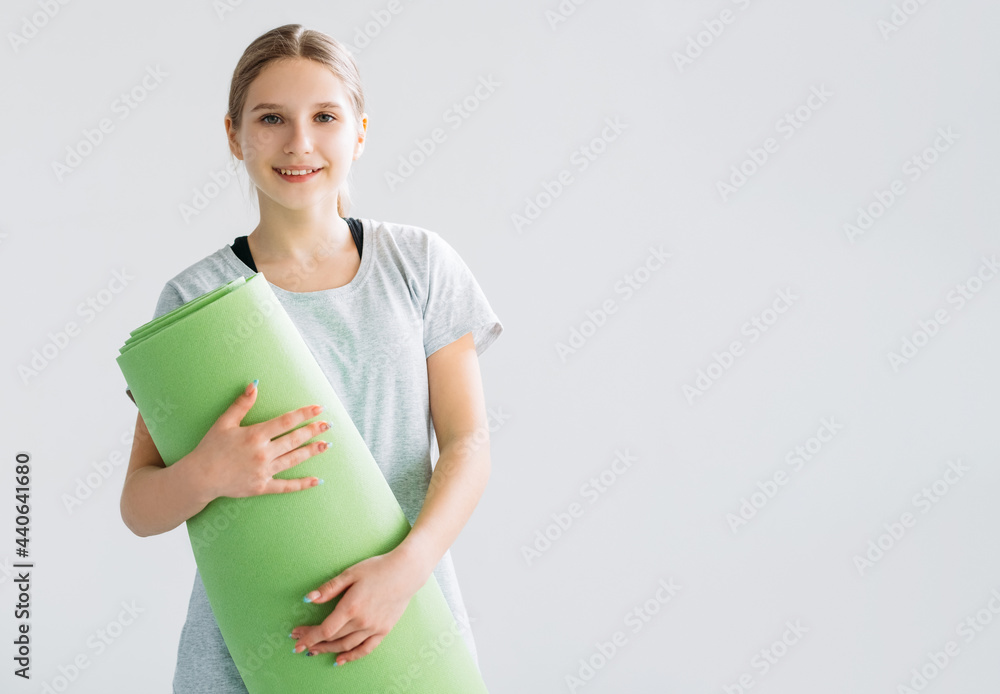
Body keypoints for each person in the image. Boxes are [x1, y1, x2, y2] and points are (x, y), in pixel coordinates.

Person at [118, 23, 503, 692]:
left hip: (403, 628)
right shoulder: (195, 298)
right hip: (241, 653)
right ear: (235, 135)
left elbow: (468, 441)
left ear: (358, 131)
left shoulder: (418, 265)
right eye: (271, 118)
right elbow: (140, 506)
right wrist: (206, 472)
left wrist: (406, 568)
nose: (299, 142)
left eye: (324, 116)